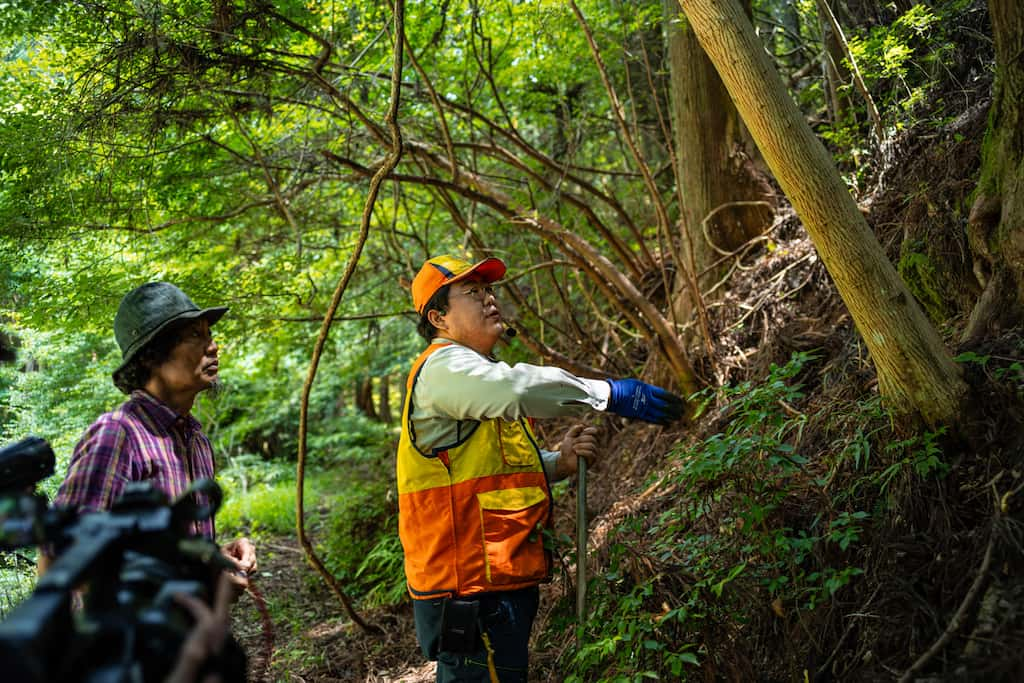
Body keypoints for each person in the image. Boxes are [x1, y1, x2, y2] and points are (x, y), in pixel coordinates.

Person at [398, 255, 684, 682]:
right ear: (439, 317)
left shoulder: (474, 372)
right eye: (473, 293)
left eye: (488, 290)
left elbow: (491, 469)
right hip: (468, 589)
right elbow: (514, 390)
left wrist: (558, 463)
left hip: (495, 578)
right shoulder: (444, 368)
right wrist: (605, 392)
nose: (490, 300)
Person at [41, 282, 256, 587]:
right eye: (195, 335)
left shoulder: (195, 440)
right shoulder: (118, 435)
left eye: (210, 335)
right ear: (149, 356)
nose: (213, 346)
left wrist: (217, 559)